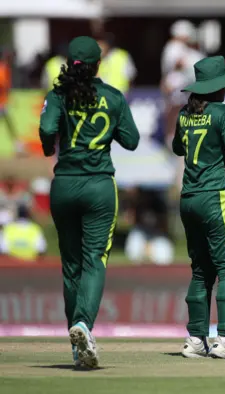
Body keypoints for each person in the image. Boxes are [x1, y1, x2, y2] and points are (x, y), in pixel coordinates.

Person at [38, 36, 140, 369]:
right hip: (98, 186)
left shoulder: (57, 94)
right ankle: (83, 324)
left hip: (64, 184)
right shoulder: (112, 96)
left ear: (70, 63)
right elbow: (132, 141)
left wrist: (48, 149)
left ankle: (76, 344)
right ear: (99, 64)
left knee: (71, 265)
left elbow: (45, 127)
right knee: (94, 259)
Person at [172, 56, 225, 360]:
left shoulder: (185, 113)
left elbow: (178, 148)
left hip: (188, 198)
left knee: (200, 271)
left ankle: (196, 338)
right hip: (214, 197)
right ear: (220, 86)